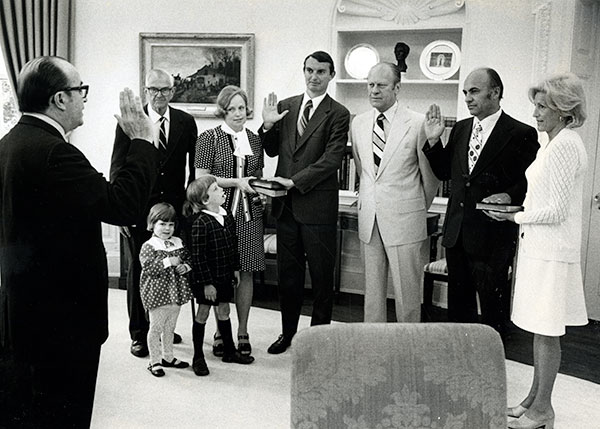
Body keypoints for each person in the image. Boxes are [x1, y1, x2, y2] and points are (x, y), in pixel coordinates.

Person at [0, 56, 156, 428]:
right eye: (80, 90)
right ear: (59, 99)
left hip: (21, 311)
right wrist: (142, 142)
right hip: (61, 323)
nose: (84, 98)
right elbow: (124, 206)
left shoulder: (9, 143)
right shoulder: (55, 152)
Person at [485, 73, 588, 429]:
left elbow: (557, 210)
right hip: (540, 247)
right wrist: (517, 211)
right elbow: (547, 200)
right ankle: (532, 399)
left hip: (551, 252)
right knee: (539, 331)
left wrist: (516, 217)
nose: (536, 113)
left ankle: (543, 410)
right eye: (536, 105)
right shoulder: (552, 144)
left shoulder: (565, 146)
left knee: (547, 333)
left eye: (543, 106)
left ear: (563, 110)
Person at [423, 67, 539, 339]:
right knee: (458, 313)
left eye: (474, 91)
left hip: (493, 237)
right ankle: (459, 365)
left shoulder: (521, 132)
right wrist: (433, 140)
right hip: (457, 234)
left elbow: (531, 180)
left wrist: (510, 195)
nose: (467, 98)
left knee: (491, 313)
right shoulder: (461, 128)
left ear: (495, 92)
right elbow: (444, 174)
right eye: (465, 92)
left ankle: (494, 369)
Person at [260, 51, 350, 354]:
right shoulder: (285, 106)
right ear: (304, 71)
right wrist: (268, 126)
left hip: (317, 208)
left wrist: (295, 181)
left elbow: (332, 160)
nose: (314, 77)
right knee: (289, 277)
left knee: (323, 279)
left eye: (321, 72)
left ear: (331, 75)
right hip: (285, 208)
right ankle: (287, 335)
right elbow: (272, 152)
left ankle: (319, 342)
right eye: (310, 70)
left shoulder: (338, 113)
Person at [110, 68, 197, 358]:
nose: (159, 95)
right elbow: (117, 167)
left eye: (165, 90)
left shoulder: (186, 122)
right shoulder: (132, 122)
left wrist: (191, 201)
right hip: (138, 208)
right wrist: (121, 212)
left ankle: (163, 328)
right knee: (140, 268)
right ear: (146, 91)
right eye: (153, 90)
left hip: (173, 210)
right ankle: (138, 333)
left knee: (170, 267)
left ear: (173, 92)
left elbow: (193, 169)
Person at [351, 62, 439, 323]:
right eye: (370, 85)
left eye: (381, 85)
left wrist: (414, 210)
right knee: (372, 293)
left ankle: (408, 348)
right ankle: (374, 346)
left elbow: (430, 177)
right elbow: (363, 171)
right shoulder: (358, 123)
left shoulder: (418, 122)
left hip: (405, 219)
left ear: (397, 88)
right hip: (370, 220)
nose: (374, 91)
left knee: (407, 294)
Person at [195, 85, 265, 357]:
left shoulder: (255, 139)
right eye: (232, 109)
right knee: (221, 272)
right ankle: (219, 330)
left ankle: (242, 330)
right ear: (223, 111)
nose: (238, 114)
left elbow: (256, 175)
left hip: (249, 214)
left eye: (242, 108)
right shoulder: (208, 138)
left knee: (245, 271)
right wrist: (237, 182)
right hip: (219, 215)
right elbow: (202, 178)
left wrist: (262, 189)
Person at [183, 175, 255, 376]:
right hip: (206, 279)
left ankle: (230, 351)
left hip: (224, 275)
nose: (222, 191)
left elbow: (233, 246)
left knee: (224, 311)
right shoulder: (200, 223)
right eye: (216, 189)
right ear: (205, 200)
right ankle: (198, 356)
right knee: (203, 313)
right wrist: (207, 284)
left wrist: (235, 269)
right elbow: (198, 257)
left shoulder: (227, 216)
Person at [139, 203, 194, 377]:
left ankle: (168, 357)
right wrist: (169, 261)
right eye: (162, 224)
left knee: (170, 328)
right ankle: (154, 361)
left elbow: (188, 258)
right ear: (152, 224)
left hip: (175, 292)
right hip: (157, 294)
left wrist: (185, 266)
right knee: (156, 328)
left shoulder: (177, 242)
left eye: (170, 224)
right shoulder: (150, 245)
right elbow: (149, 269)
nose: (167, 228)